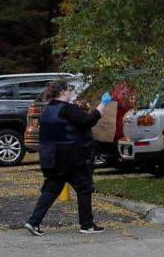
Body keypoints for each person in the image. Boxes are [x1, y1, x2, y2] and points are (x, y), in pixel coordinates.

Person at [25, 79, 111, 235]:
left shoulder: (47, 110)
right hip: (71, 157)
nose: (71, 93)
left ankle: (33, 222)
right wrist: (103, 104)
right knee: (84, 187)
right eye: (69, 90)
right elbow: (88, 121)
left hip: (51, 157)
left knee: (52, 188)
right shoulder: (67, 109)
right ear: (63, 92)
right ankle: (87, 224)